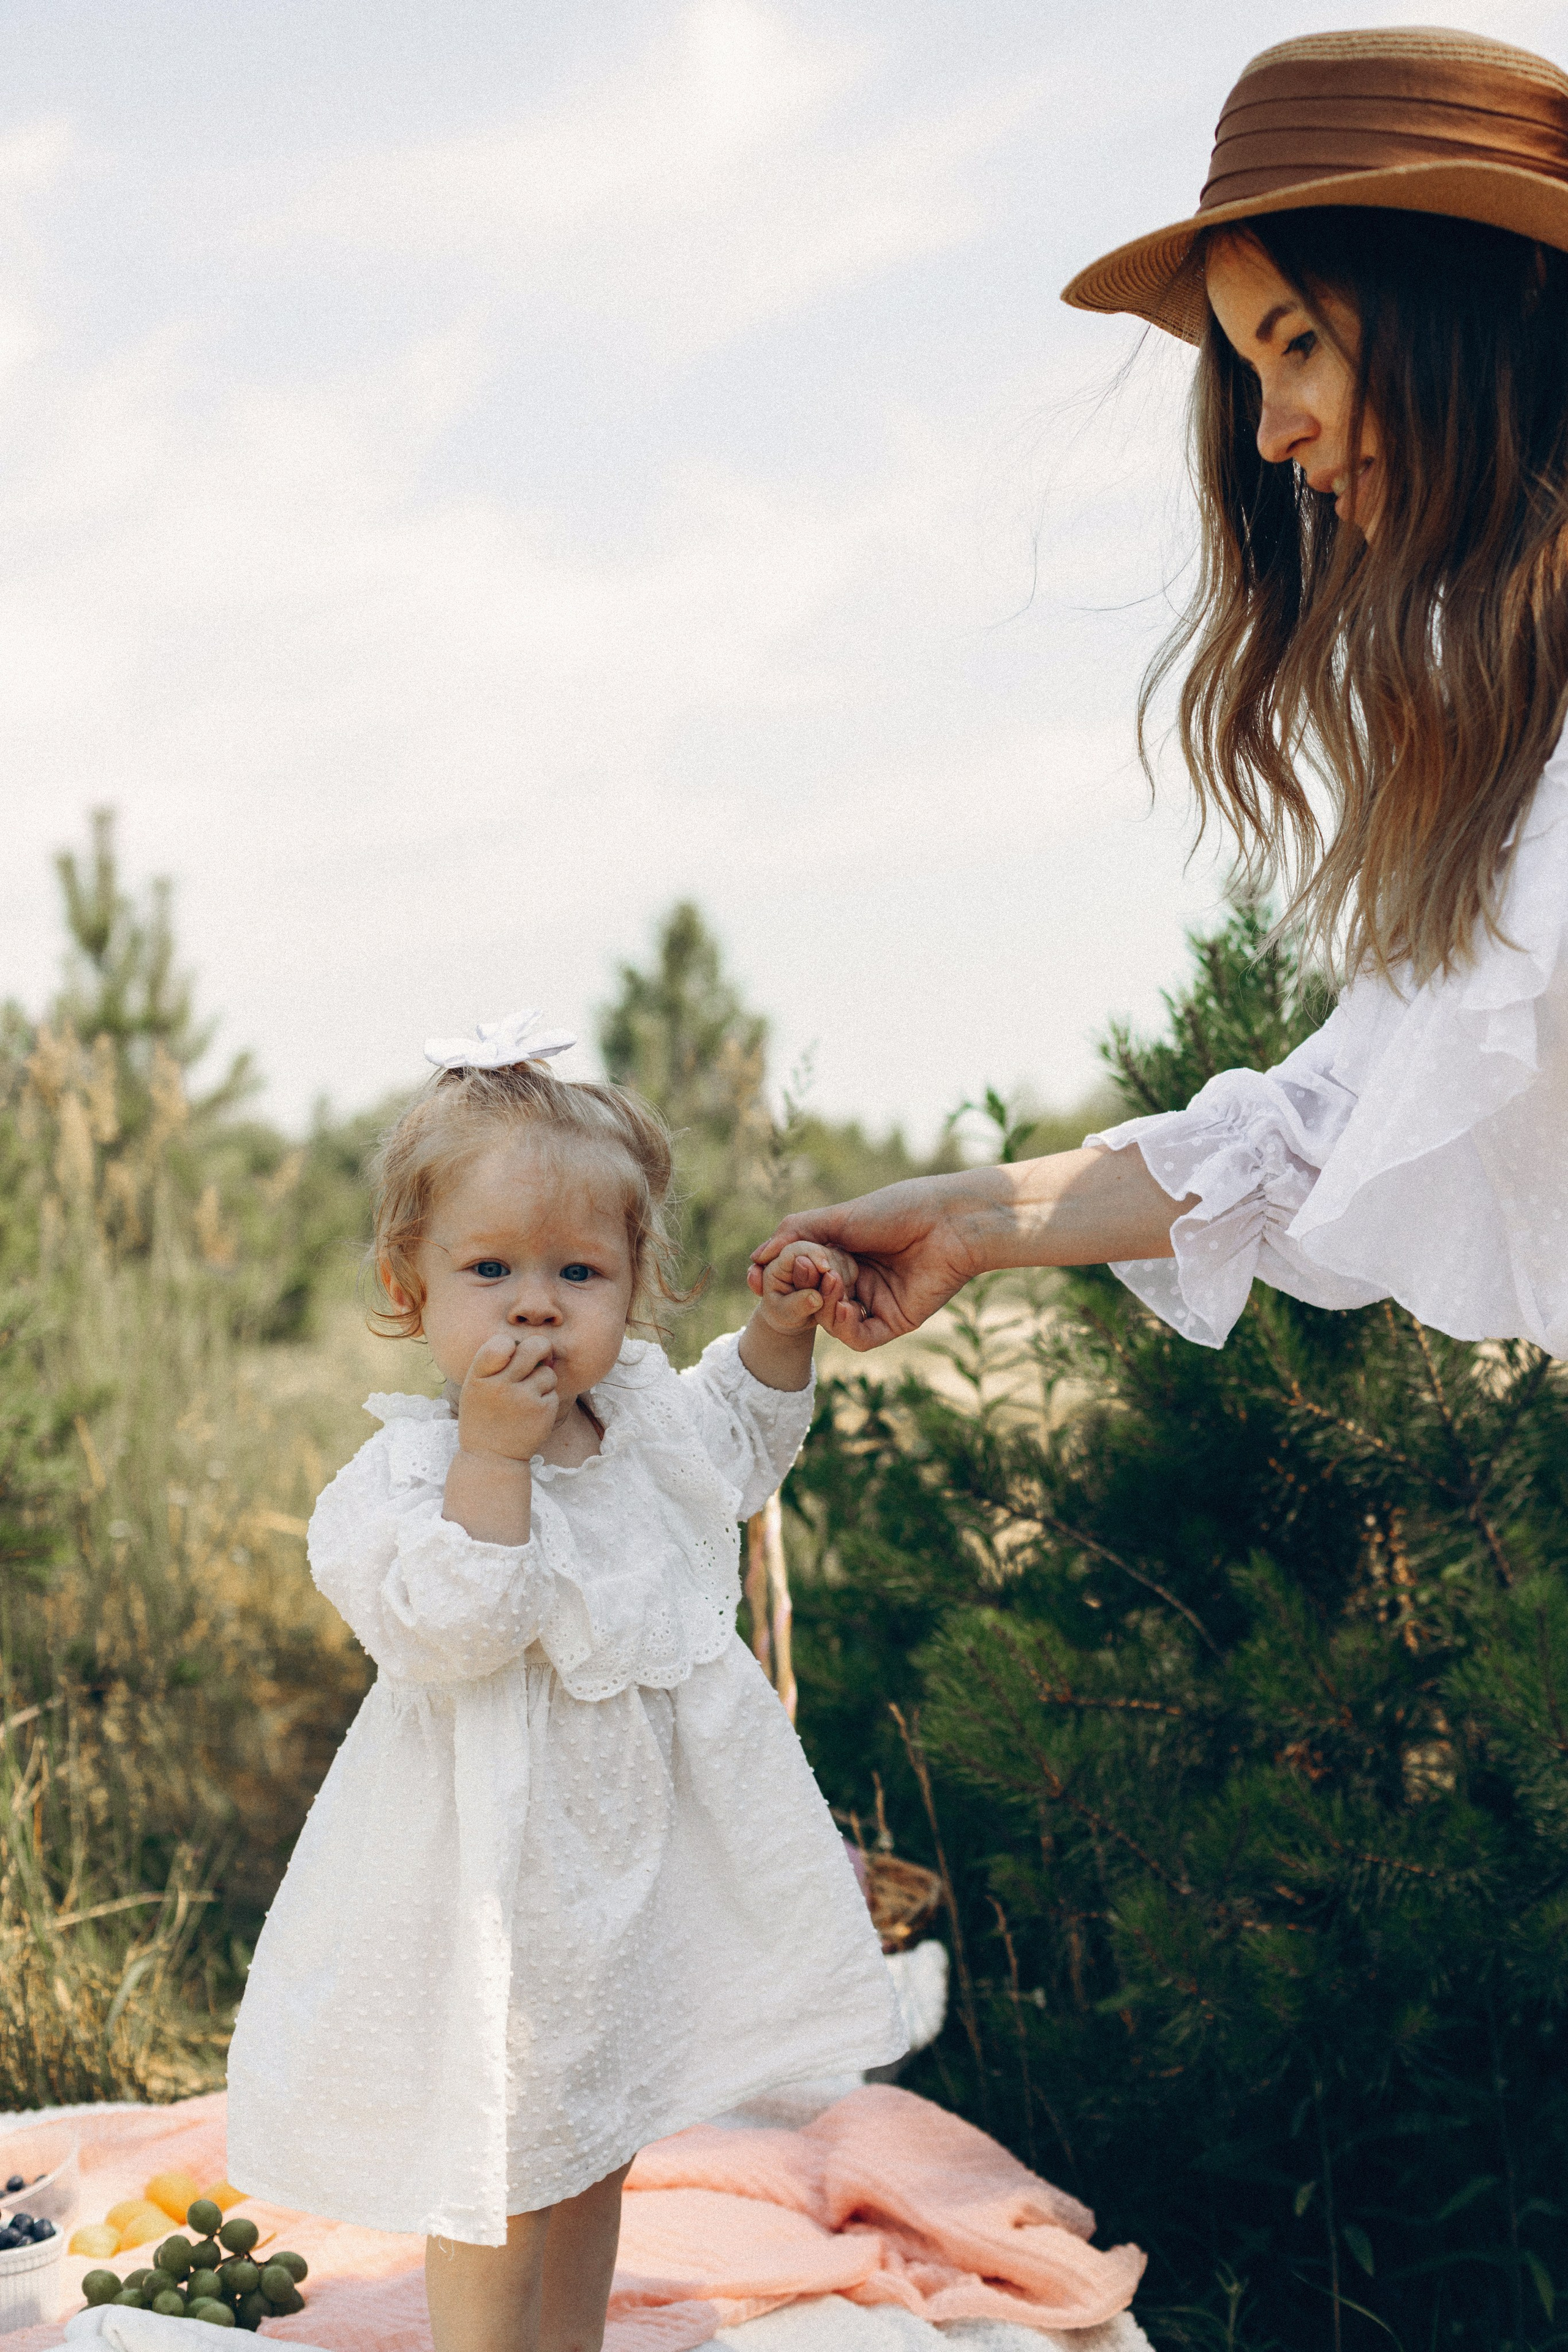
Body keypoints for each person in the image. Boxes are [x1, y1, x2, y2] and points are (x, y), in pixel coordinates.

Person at [752, 26, 1568, 1365]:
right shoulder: (1511, 720)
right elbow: (1330, 1127)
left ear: (1482, 305)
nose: (1272, 430)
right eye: (1252, 371)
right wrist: (971, 1218)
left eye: (1297, 343)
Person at [226, 1014, 904, 2352]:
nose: (536, 1303)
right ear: (410, 1286)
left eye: (578, 1271)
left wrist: (780, 1334)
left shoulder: (644, 1426)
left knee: (597, 2144)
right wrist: (495, 1458)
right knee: (496, 2165)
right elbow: (457, 1627)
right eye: (490, 1268)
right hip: (489, 1893)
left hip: (623, 1887)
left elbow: (741, 1444)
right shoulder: (404, 1479)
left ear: (635, 1285)